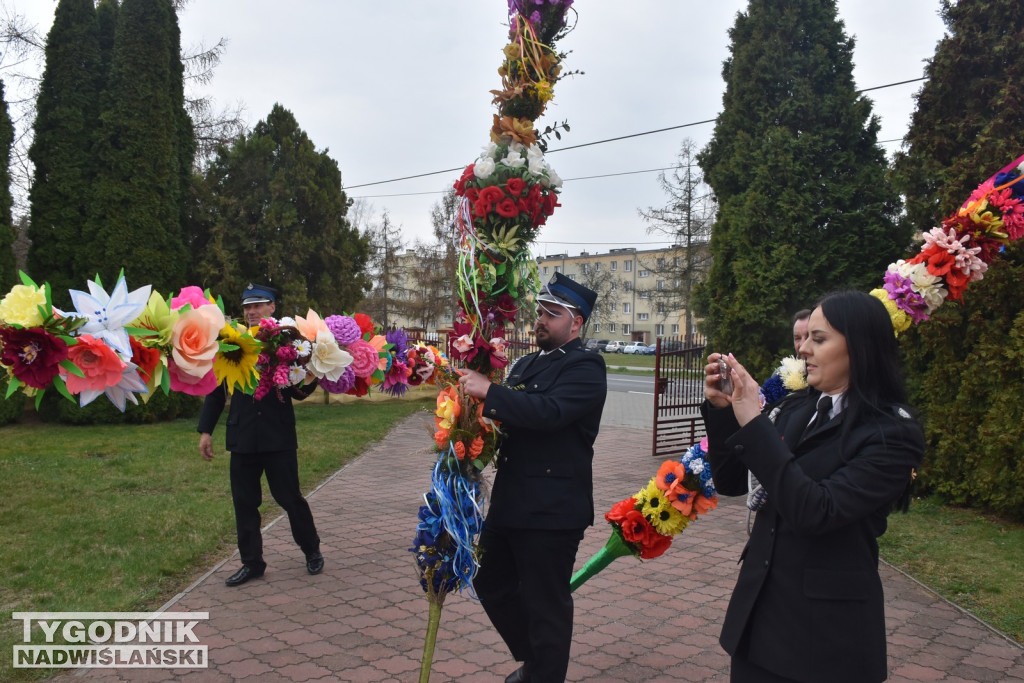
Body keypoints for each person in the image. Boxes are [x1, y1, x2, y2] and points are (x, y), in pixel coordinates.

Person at [701, 290, 923, 683]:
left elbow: (815, 511)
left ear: (860, 346)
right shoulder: (798, 407)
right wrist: (724, 413)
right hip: (761, 618)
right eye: (804, 339)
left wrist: (754, 421)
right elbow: (733, 482)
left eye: (818, 339)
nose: (803, 349)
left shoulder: (891, 432)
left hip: (824, 638)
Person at [458, 272, 606, 683]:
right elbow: (509, 418)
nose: (540, 319)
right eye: (540, 311)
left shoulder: (587, 366)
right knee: (489, 581)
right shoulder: (525, 363)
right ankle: (538, 660)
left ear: (576, 323)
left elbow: (549, 414)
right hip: (511, 501)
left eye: (552, 314)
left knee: (547, 606)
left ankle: (543, 671)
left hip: (552, 511)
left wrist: (490, 392)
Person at [197, 283, 323, 587]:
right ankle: (252, 563)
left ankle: (311, 549)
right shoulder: (232, 342)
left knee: (289, 497)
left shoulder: (286, 343)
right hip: (242, 437)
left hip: (277, 436)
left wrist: (315, 371)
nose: (251, 311)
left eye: (258, 305)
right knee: (244, 502)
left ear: (272, 308)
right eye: (247, 307)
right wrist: (205, 431)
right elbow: (216, 392)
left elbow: (299, 392)